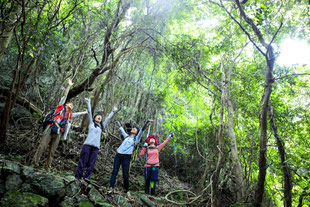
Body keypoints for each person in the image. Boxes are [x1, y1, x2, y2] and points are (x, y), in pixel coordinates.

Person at [32, 78, 87, 171]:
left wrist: (84, 112)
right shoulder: (60, 108)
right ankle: (34, 163)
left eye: (72, 106)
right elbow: (65, 96)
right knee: (42, 146)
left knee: (52, 151)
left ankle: (47, 167)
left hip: (58, 132)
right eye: (70, 104)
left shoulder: (68, 115)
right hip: (51, 128)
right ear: (66, 104)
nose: (71, 106)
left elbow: (75, 114)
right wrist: (69, 86)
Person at [75, 98, 117, 180]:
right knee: (82, 161)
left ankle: (87, 178)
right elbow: (90, 113)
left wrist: (113, 111)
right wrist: (88, 102)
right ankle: (78, 177)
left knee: (91, 164)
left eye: (100, 117)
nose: (99, 117)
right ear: (94, 117)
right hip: (87, 145)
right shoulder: (91, 123)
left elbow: (108, 118)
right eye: (98, 116)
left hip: (96, 148)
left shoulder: (102, 126)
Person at [109, 119, 154, 195]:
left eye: (135, 129)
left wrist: (146, 122)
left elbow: (142, 131)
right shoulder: (126, 137)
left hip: (126, 157)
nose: (133, 129)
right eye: (133, 128)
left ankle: (126, 190)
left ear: (137, 132)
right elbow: (121, 130)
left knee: (125, 174)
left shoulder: (136, 139)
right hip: (118, 155)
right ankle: (111, 187)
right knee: (114, 171)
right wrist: (118, 123)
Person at [140, 132, 173, 198]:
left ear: (155, 142)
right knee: (147, 180)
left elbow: (165, 142)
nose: (152, 139)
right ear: (148, 142)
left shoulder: (158, 147)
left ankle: (152, 195)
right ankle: (146, 194)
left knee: (153, 181)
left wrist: (170, 136)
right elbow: (141, 154)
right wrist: (144, 146)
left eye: (153, 139)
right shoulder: (146, 148)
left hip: (155, 166)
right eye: (150, 139)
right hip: (148, 166)